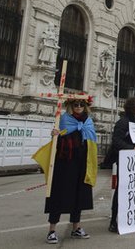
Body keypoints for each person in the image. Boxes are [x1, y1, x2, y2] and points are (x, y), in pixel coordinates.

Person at [42, 97, 97, 244]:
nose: (79, 107)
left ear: (85, 107)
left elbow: (91, 142)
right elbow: (58, 142)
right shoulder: (63, 120)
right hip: (64, 165)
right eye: (76, 104)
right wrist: (55, 135)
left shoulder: (88, 122)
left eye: (81, 105)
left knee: (79, 197)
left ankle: (76, 227)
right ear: (71, 106)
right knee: (58, 197)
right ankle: (52, 230)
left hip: (82, 165)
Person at [107, 97, 135, 233]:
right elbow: (116, 142)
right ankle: (113, 221)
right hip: (126, 161)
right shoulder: (122, 123)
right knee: (122, 190)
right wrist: (132, 147)